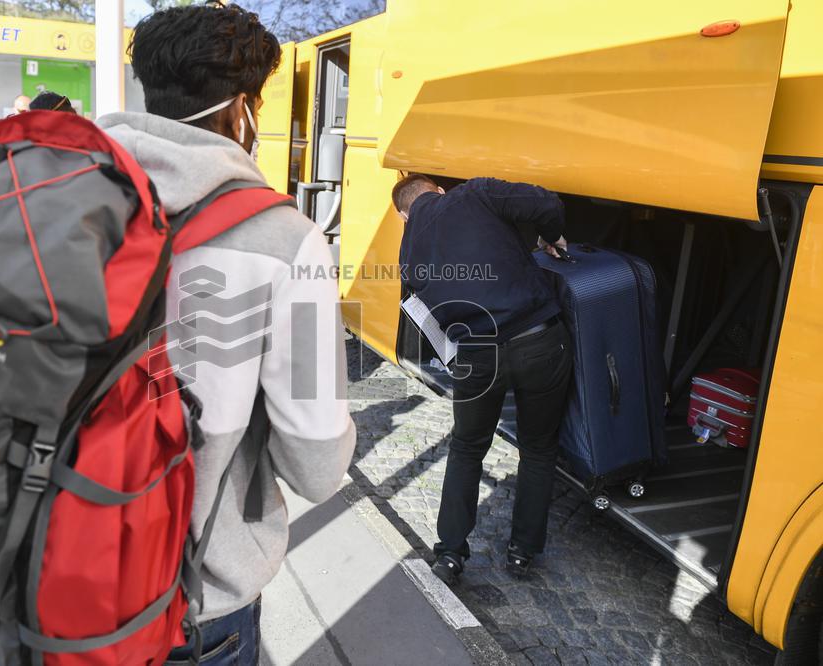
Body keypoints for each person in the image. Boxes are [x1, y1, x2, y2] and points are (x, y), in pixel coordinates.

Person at [98, 4, 355, 664]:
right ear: (242, 110)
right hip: (192, 604)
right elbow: (318, 468)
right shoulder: (281, 238)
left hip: (47, 576)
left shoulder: (56, 192)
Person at [394, 173, 573, 582]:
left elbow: (428, 317)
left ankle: (451, 555)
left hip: (476, 356)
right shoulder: (475, 193)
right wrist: (552, 237)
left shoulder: (408, 250)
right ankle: (521, 553)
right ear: (438, 190)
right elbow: (548, 203)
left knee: (467, 448)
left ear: (405, 215)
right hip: (537, 340)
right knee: (539, 448)